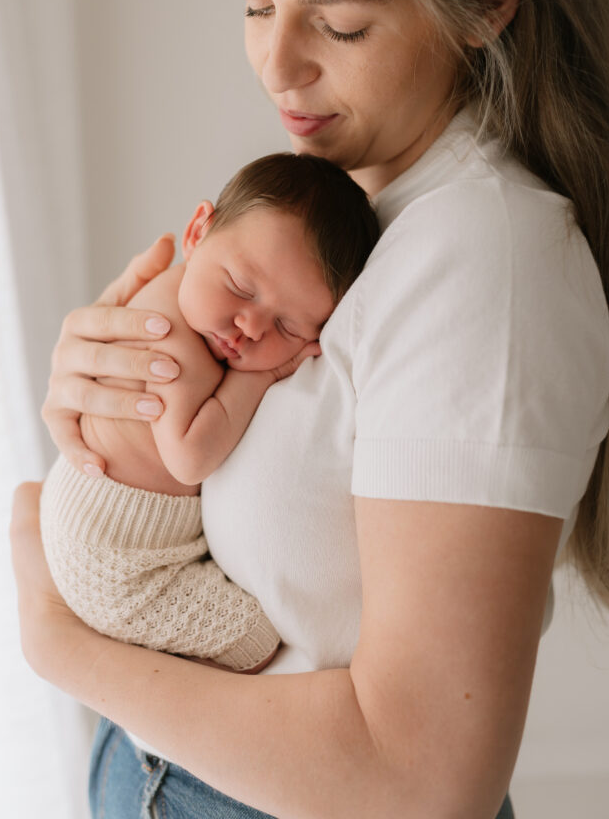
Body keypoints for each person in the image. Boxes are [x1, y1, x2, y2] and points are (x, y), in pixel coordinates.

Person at [10, 0, 609, 817]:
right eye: (256, 4)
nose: (277, 63)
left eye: (339, 22)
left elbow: (424, 778)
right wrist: (112, 417)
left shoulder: (486, 261)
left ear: (486, 2)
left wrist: (63, 644)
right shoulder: (349, 206)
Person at [40, 152, 378, 674]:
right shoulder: (170, 337)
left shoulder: (193, 298)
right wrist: (258, 376)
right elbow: (189, 457)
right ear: (198, 230)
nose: (248, 327)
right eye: (240, 288)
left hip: (111, 527)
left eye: (288, 328)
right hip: (114, 558)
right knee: (256, 644)